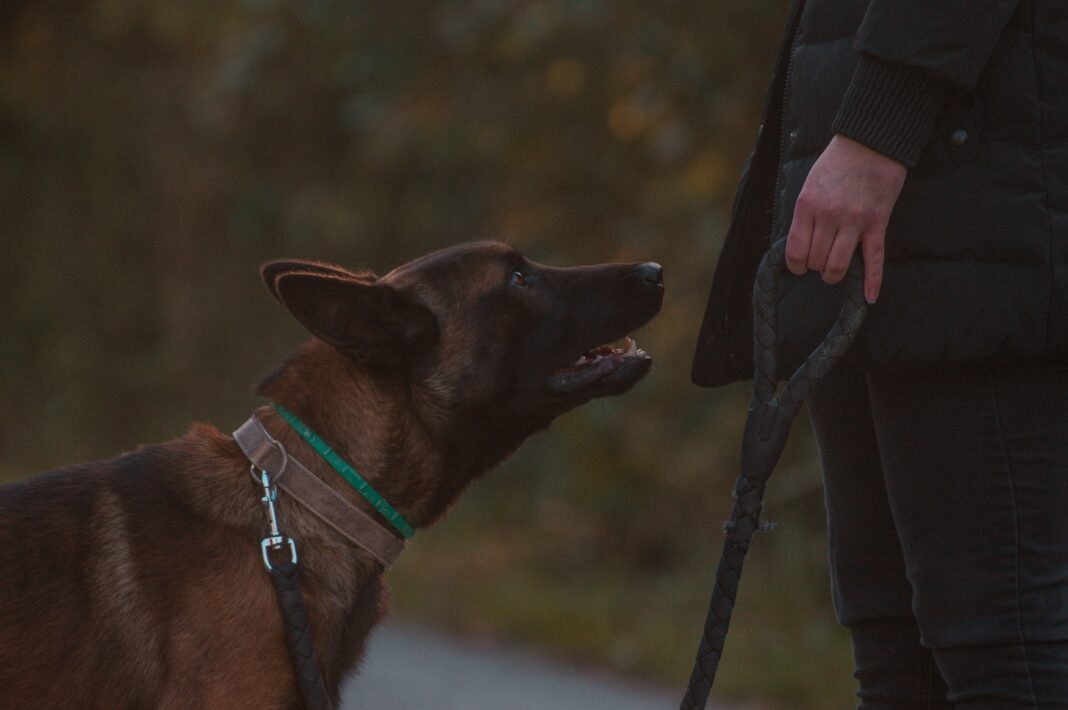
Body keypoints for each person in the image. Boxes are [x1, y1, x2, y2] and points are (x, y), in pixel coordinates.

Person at [692, 1, 1068, 707]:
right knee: (894, 648)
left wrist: (875, 133)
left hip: (962, 201)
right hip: (870, 203)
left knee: (998, 646)